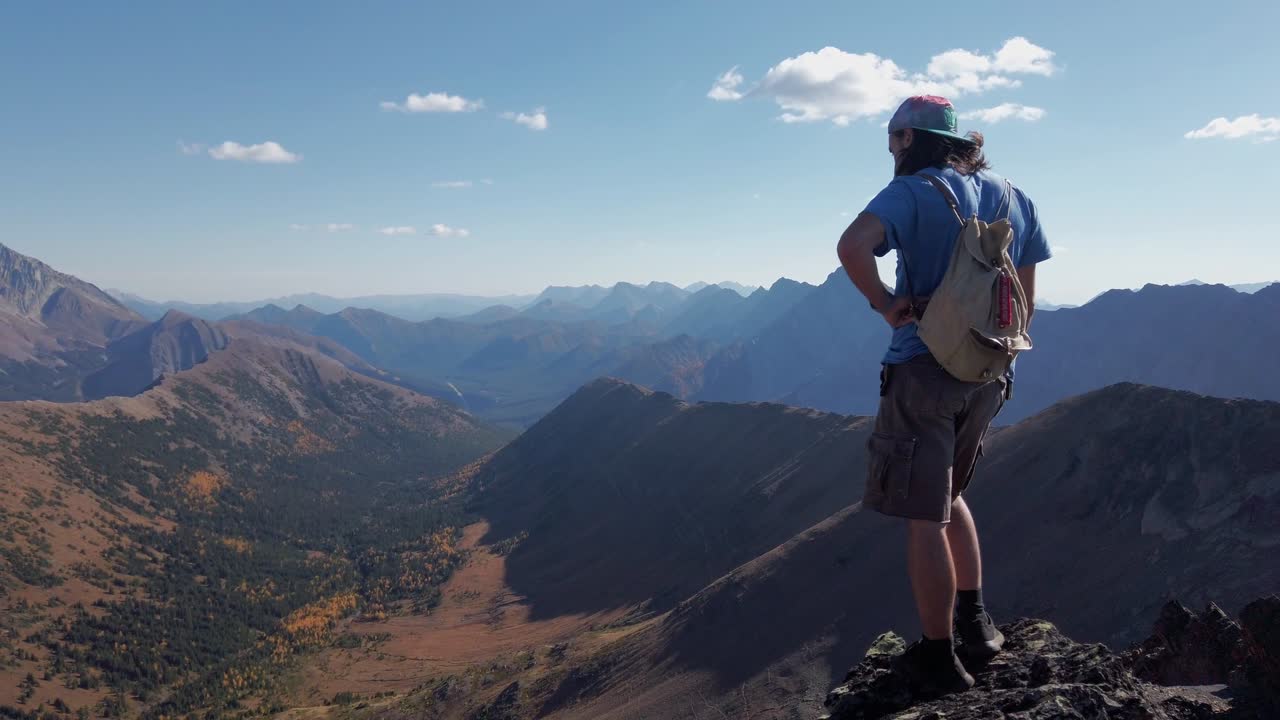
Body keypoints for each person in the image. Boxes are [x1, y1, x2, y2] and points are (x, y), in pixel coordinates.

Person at [835, 95, 1051, 695]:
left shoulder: (910, 193)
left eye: (892, 139)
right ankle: (975, 626)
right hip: (988, 372)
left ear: (910, 138)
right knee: (951, 493)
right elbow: (1025, 298)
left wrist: (885, 304)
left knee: (922, 515)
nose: (890, 150)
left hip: (923, 368)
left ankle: (937, 655)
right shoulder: (1013, 195)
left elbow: (852, 247)